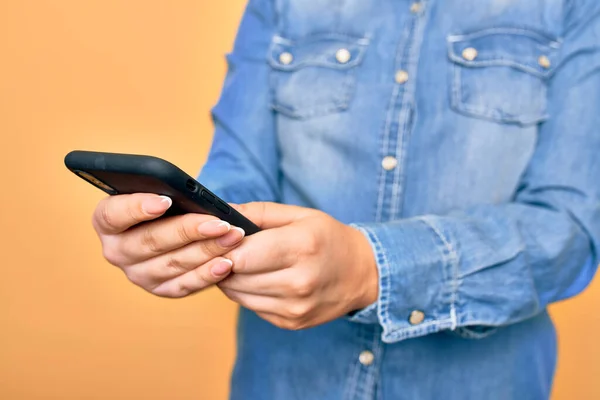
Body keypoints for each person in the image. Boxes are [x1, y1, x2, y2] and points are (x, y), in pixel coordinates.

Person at [91, 1, 600, 399]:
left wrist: (371, 266)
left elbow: (570, 230)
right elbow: (240, 177)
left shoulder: (576, 6)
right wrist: (184, 235)